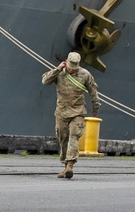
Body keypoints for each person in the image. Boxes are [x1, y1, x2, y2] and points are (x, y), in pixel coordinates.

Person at [41, 51, 100, 179]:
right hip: (61, 112)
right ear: (66, 62)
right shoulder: (59, 72)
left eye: (75, 67)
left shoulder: (85, 75)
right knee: (62, 138)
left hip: (78, 112)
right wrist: (57, 69)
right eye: (70, 66)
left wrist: (96, 107)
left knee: (74, 136)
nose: (72, 69)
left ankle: (70, 166)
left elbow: (93, 90)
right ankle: (65, 164)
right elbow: (45, 81)